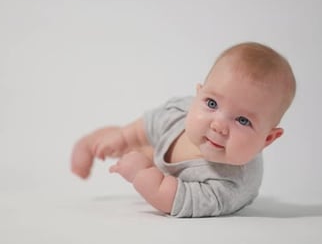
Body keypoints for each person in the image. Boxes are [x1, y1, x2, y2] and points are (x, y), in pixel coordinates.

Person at [70, 42, 296, 217]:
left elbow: (176, 200)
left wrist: (141, 174)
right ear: (199, 95)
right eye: (211, 104)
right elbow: (145, 127)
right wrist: (122, 137)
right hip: (161, 149)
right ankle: (91, 143)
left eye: (243, 121)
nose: (218, 125)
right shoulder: (181, 111)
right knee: (128, 140)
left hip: (168, 178)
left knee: (142, 155)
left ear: (268, 139)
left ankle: (127, 152)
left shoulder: (231, 185)